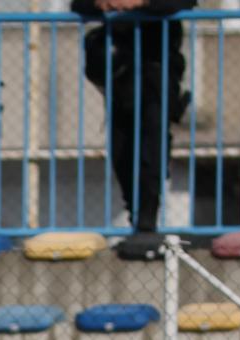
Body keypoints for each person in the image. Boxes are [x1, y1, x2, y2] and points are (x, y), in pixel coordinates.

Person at [75, 0, 193, 235]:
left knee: (152, 143)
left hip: (157, 66)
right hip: (120, 74)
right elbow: (78, 5)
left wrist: (139, 2)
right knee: (121, 148)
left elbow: (184, 3)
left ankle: (147, 221)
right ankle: (135, 213)